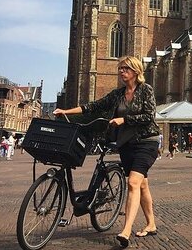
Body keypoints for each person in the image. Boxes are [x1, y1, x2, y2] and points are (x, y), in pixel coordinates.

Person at [53, 56, 160, 248]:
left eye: (125, 68)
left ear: (135, 71)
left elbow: (149, 116)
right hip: (127, 143)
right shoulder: (118, 94)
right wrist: (66, 111)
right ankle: (151, 223)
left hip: (147, 142)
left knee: (133, 182)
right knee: (142, 184)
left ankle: (126, 231)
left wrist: (124, 120)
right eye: (120, 68)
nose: (121, 71)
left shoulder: (146, 90)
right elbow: (95, 105)